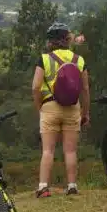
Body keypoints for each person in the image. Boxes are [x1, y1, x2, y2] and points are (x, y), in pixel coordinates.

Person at [32, 22, 90, 197]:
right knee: (70, 150)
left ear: (50, 41)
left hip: (49, 106)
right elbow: (85, 89)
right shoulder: (79, 60)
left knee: (48, 150)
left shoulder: (44, 59)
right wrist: (85, 112)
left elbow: (35, 87)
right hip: (72, 107)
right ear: (68, 39)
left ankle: (43, 187)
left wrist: (39, 107)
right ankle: (72, 185)